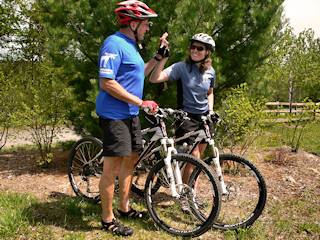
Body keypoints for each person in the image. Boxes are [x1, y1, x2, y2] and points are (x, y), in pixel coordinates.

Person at [96, 1, 168, 236]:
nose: (148, 28)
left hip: (131, 114)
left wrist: (158, 57)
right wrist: (140, 102)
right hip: (115, 115)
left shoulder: (131, 45)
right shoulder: (113, 43)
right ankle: (107, 220)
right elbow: (106, 82)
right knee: (113, 167)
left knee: (131, 160)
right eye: (146, 23)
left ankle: (124, 207)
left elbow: (140, 73)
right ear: (134, 22)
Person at [149, 33, 216, 208]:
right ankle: (185, 198)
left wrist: (210, 111)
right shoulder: (182, 67)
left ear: (207, 52)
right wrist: (163, 58)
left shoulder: (210, 71)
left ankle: (190, 193)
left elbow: (210, 93)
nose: (195, 50)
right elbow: (154, 78)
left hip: (204, 119)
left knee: (198, 159)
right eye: (193, 47)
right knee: (192, 157)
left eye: (199, 48)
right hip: (186, 117)